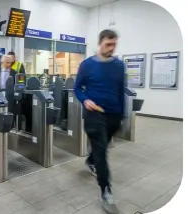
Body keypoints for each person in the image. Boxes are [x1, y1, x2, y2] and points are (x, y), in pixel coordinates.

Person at [73, 29, 127, 214]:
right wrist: (85, 100)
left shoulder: (119, 66)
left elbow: (121, 91)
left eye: (114, 45)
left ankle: (91, 160)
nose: (111, 48)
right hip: (94, 114)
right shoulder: (87, 65)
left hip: (113, 114)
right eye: (108, 44)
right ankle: (106, 192)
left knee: (100, 149)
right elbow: (77, 87)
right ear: (100, 43)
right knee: (102, 153)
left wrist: (122, 115)